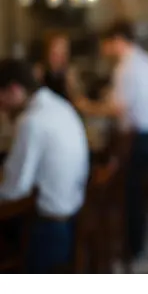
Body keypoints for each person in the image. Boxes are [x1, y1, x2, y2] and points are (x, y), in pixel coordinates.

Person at [77, 21, 148, 263]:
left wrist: (86, 106)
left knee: (131, 195)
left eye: (107, 43)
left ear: (117, 40)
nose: (105, 48)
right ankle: (136, 245)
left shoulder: (126, 67)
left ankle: (133, 247)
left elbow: (117, 108)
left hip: (135, 139)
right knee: (136, 193)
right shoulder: (144, 60)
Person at [0, 58, 89, 273]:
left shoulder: (31, 120)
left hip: (47, 230)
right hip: (72, 218)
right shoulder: (58, 105)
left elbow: (15, 189)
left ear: (13, 89)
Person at [33, 31, 82, 103]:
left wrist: (71, 85)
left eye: (64, 53)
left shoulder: (69, 73)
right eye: (55, 54)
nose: (60, 58)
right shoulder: (39, 72)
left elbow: (79, 102)